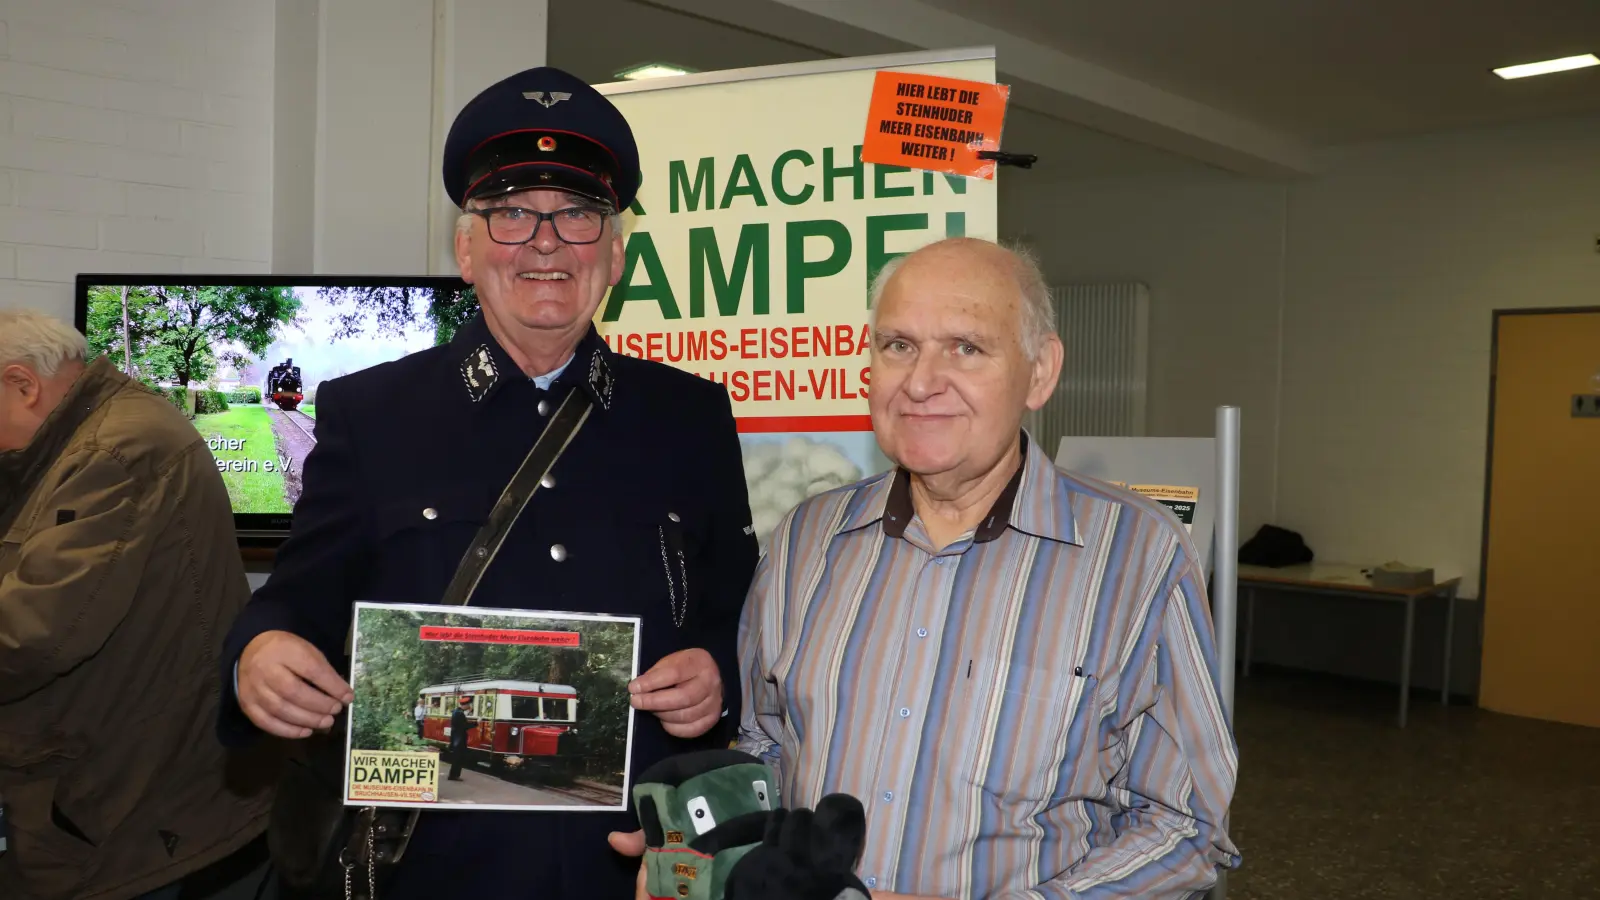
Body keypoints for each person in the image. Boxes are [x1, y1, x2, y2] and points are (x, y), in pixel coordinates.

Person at [216, 66, 759, 899]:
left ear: (615, 253)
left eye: (578, 214)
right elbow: (300, 597)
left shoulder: (690, 417)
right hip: (431, 867)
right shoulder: (373, 412)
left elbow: (733, 609)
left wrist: (715, 669)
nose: (546, 242)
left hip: (636, 870)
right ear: (466, 248)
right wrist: (262, 648)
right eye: (511, 213)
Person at [735, 238, 1241, 899]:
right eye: (898, 346)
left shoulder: (1139, 556)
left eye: (966, 348)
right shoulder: (807, 539)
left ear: (1040, 372)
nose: (920, 381)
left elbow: (1185, 825)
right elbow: (761, 747)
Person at [0, 310, 273, 900]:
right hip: (110, 789)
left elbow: (31, 633)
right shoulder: (81, 434)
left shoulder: (111, 452)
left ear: (23, 384)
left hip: (118, 806)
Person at [447, 697, 471, 782]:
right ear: (466, 705)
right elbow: (465, 726)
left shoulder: (456, 712)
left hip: (456, 738)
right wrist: (477, 723)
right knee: (458, 758)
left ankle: (453, 775)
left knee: (457, 757)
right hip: (459, 739)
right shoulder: (460, 714)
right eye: (468, 704)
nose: (469, 706)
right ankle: (454, 775)